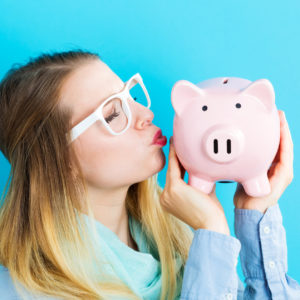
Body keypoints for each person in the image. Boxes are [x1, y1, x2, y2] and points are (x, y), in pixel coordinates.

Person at [0, 49, 299, 300]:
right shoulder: (23, 290)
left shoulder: (175, 242)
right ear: (57, 159)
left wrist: (254, 214)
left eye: (130, 95)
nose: (146, 114)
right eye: (113, 114)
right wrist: (213, 232)